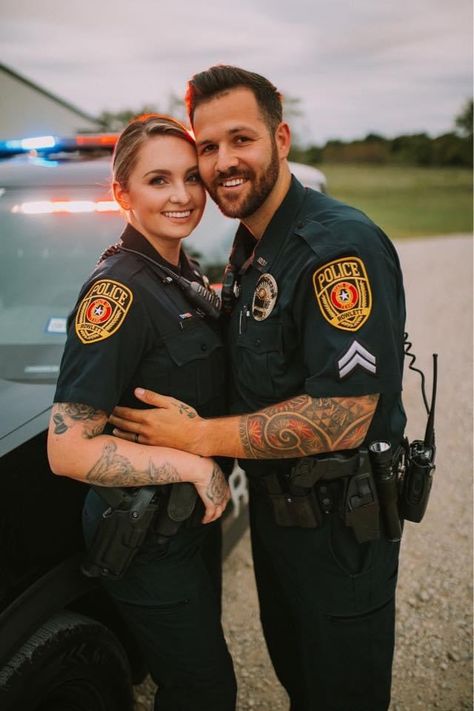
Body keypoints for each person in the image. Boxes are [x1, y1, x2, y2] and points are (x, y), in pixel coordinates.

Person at [110, 67, 407, 711]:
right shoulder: (251, 249)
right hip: (278, 520)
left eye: (240, 140)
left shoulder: (336, 247)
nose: (222, 163)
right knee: (302, 681)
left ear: (282, 138)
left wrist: (197, 437)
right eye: (208, 147)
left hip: (339, 531)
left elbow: (345, 414)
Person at [47, 114, 237, 711]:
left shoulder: (179, 273)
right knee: (204, 691)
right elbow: (67, 449)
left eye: (190, 178)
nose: (182, 196)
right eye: (159, 180)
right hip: (146, 532)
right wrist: (193, 467)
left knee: (193, 680)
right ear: (122, 193)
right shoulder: (118, 293)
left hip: (185, 527)